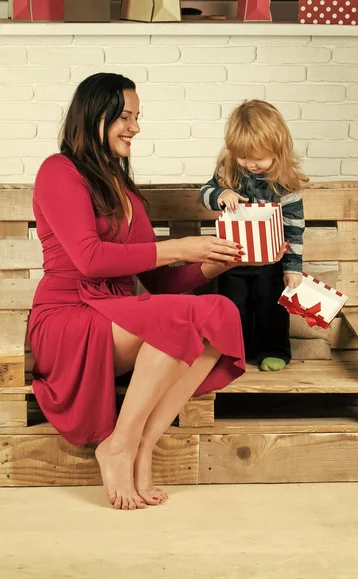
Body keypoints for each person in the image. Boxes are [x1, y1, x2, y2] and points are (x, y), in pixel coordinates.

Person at [29, 73, 286, 511]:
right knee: (175, 320)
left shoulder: (122, 187)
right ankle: (117, 445)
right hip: (68, 316)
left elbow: (161, 282)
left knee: (218, 311)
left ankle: (143, 447)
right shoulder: (59, 171)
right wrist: (178, 247)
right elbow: (90, 259)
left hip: (120, 311)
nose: (134, 127)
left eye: (136, 117)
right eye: (124, 117)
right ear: (94, 116)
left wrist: (216, 263)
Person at [200, 100, 308, 373]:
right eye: (243, 156)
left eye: (258, 157)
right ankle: (232, 352)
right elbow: (204, 193)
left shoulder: (284, 186)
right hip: (233, 259)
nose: (251, 164)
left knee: (270, 306)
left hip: (270, 261)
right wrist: (220, 194)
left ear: (278, 150)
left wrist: (293, 268)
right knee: (232, 306)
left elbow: (295, 228)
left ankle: (273, 349)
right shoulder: (229, 171)